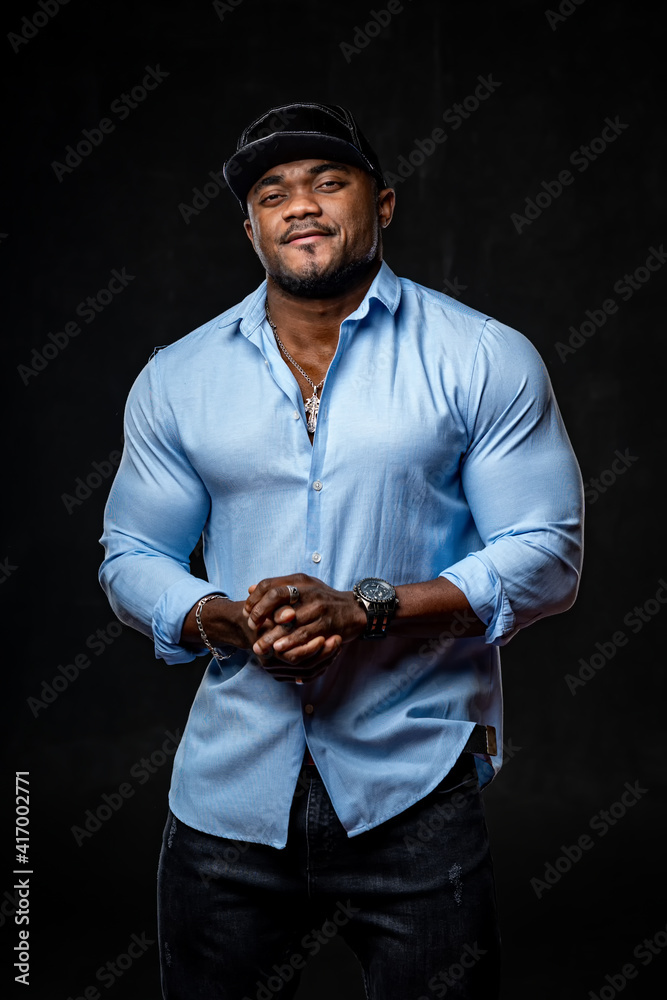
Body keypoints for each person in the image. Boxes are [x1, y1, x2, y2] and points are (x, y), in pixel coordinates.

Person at [99, 101, 584, 1000]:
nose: (302, 206)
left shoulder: (481, 357)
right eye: (273, 193)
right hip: (225, 795)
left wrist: (367, 609)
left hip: (414, 786)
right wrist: (223, 618)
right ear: (250, 227)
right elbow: (131, 554)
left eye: (330, 181)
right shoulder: (178, 377)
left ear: (384, 203)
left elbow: (546, 552)